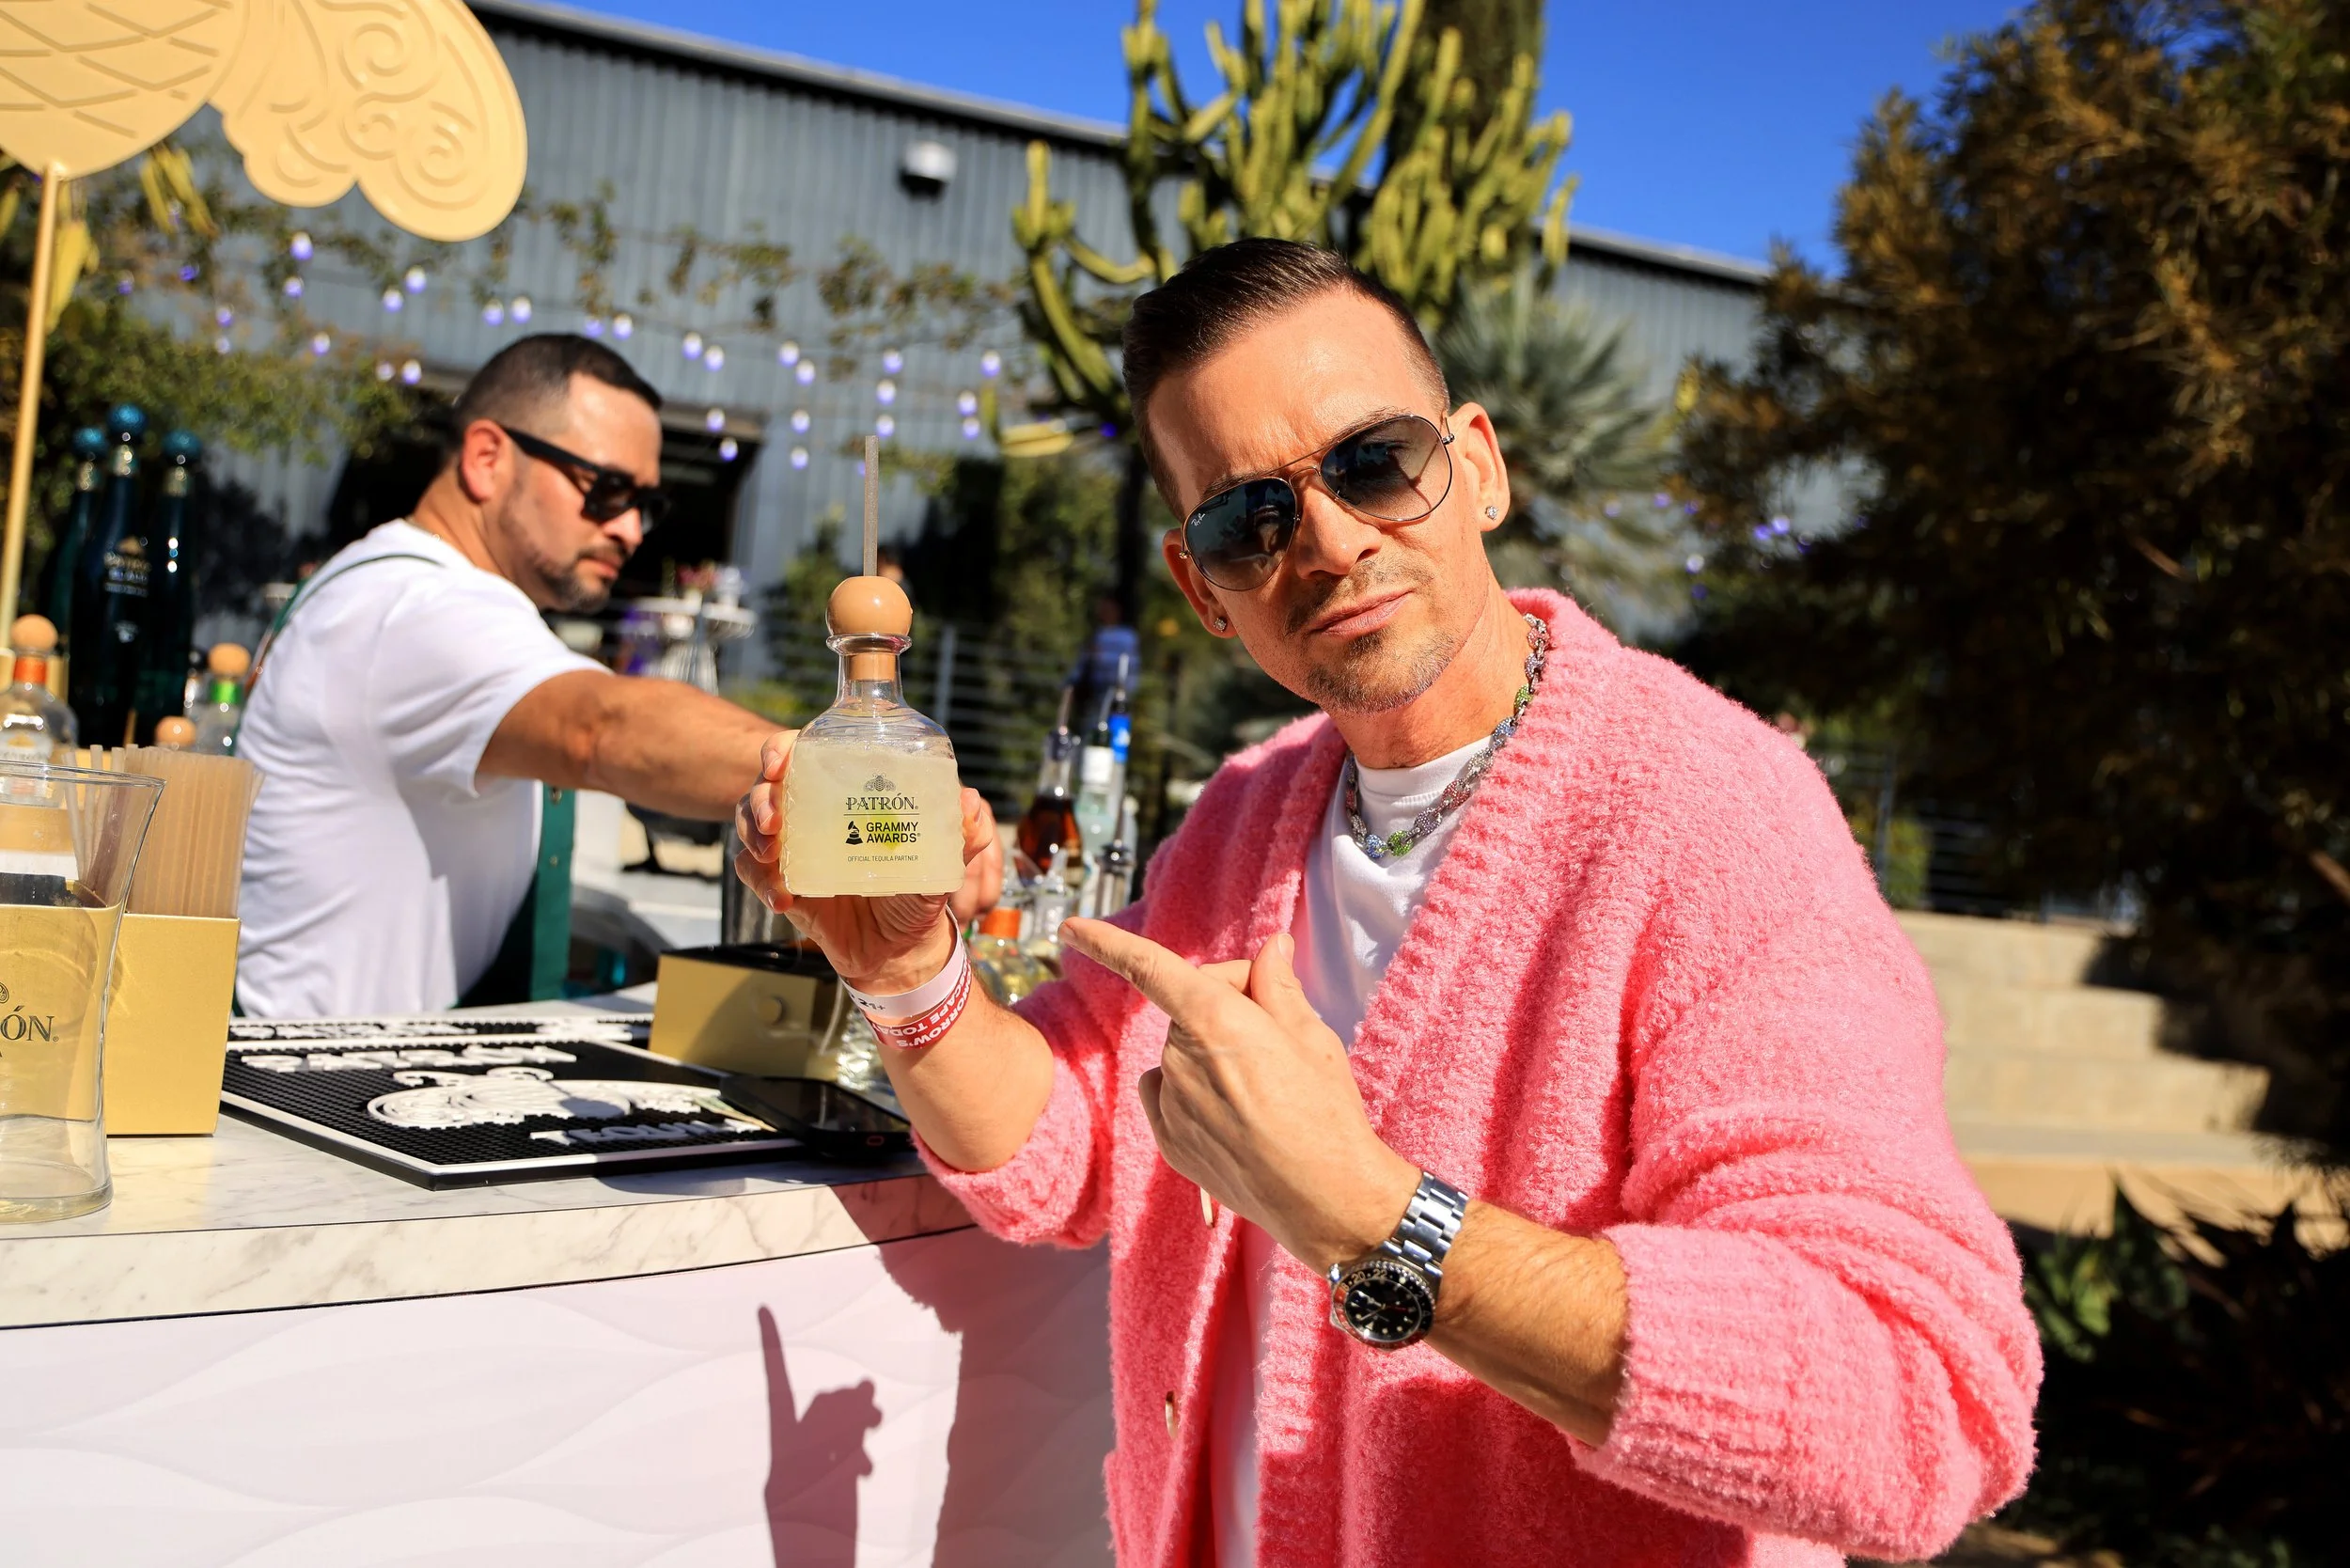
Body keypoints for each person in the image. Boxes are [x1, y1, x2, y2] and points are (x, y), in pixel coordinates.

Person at [734, 240, 2039, 1567]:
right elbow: (1075, 1148)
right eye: (1250, 519)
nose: (1334, 541)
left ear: (1476, 465)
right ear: (1205, 592)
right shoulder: (1247, 816)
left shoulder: (1708, 813)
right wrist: (906, 971)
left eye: (1375, 461)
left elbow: (1921, 1395)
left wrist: (1374, 1219)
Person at [237, 335, 778, 1015]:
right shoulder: (421, 608)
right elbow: (601, 729)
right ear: (488, 458)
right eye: (607, 489)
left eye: (648, 504)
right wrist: (878, 795)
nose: (632, 530)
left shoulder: (383, 583)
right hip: (306, 1093)